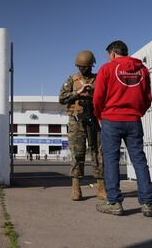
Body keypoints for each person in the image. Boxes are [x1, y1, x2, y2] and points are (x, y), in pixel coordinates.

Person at [93, 40, 152, 217]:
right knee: (139, 160)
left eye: (108, 56)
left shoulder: (107, 69)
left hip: (111, 120)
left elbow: (98, 97)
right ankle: (148, 204)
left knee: (112, 161)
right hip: (133, 120)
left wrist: (100, 116)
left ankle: (114, 202)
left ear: (112, 53)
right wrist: (137, 113)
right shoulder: (142, 69)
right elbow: (147, 96)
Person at [59, 51, 106, 201]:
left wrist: (94, 91)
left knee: (98, 152)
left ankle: (101, 187)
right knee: (77, 153)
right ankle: (76, 187)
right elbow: (62, 98)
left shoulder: (99, 79)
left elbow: (107, 96)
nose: (82, 69)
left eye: (85, 67)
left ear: (92, 65)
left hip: (95, 120)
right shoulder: (72, 80)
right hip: (76, 120)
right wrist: (77, 93)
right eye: (80, 67)